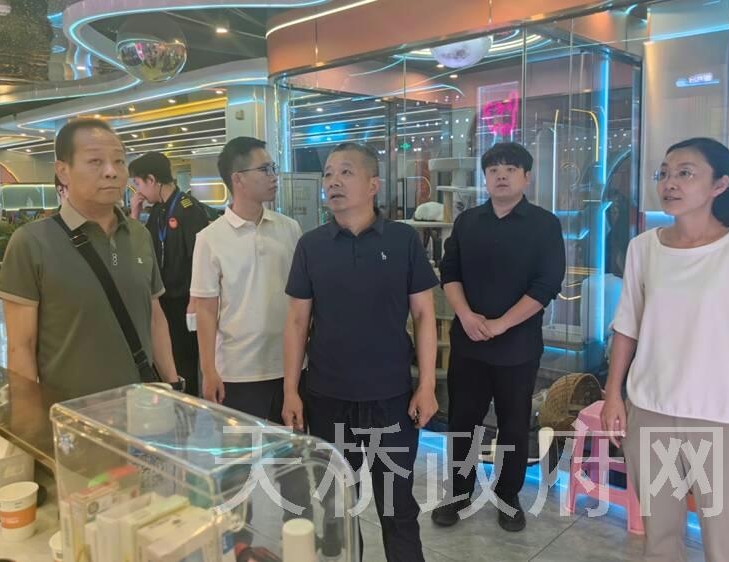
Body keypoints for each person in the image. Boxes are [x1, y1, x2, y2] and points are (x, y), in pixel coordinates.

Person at [283, 142, 439, 562]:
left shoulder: (403, 240)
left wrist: (426, 385)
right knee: (336, 506)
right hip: (327, 397)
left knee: (397, 505)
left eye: (346, 172)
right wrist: (291, 390)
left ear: (373, 185)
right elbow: (297, 321)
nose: (333, 181)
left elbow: (424, 315)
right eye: (329, 174)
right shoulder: (311, 245)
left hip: (391, 399)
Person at [601, 137, 729, 562]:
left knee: (727, 539)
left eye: (685, 173)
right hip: (651, 408)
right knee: (660, 536)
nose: (670, 183)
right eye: (663, 173)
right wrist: (613, 394)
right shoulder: (644, 247)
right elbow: (627, 325)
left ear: (720, 184)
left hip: (722, 414)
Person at [0, 118, 181, 398]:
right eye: (95, 161)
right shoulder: (31, 242)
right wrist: (26, 416)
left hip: (140, 407)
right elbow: (21, 346)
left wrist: (173, 386)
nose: (111, 172)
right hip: (70, 413)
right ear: (63, 171)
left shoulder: (139, 235)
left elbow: (154, 318)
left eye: (119, 161)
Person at [432, 142, 566, 532]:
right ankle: (459, 494)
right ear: (486, 178)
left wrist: (503, 323)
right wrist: (465, 314)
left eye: (510, 169)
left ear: (527, 177)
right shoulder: (468, 221)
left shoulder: (544, 224)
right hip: (469, 343)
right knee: (463, 422)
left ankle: (508, 497)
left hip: (517, 347)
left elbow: (547, 284)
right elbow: (449, 271)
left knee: (513, 424)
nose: (501, 175)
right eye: (493, 170)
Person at [190, 137, 301, 420]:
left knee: (290, 446)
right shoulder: (209, 238)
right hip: (238, 372)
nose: (274, 176)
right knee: (245, 447)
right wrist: (209, 371)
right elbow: (205, 309)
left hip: (291, 367)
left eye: (273, 167)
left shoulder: (289, 229)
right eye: (264, 169)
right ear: (237, 179)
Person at [128, 152, 210, 396]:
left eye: (139, 184)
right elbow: (141, 247)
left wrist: (195, 300)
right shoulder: (158, 211)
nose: (139, 191)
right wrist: (134, 213)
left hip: (183, 301)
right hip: (162, 301)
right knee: (165, 359)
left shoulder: (188, 209)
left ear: (152, 180)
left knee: (184, 360)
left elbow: (200, 259)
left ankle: (188, 405)